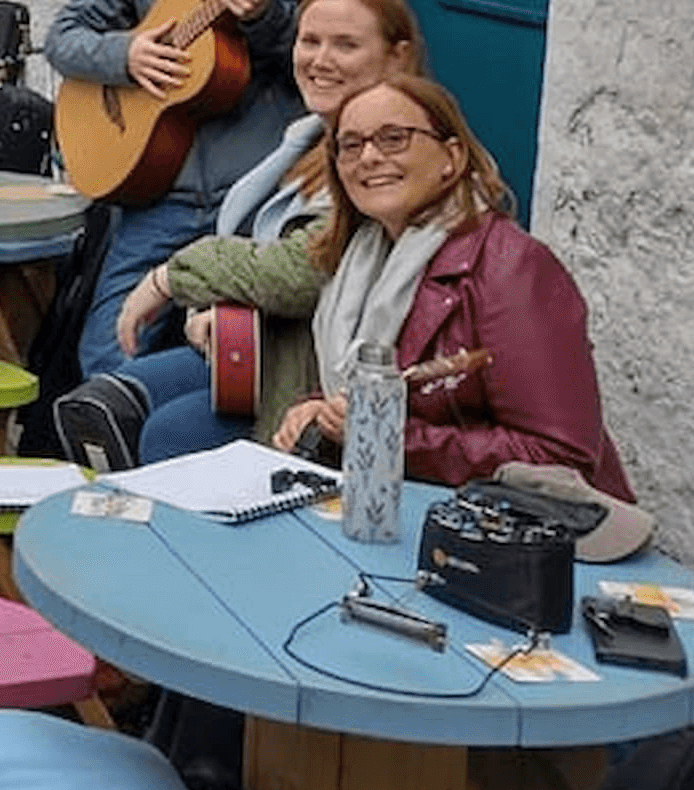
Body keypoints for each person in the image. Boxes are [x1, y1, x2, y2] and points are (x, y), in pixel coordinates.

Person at [52, 0, 422, 466]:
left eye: (346, 45)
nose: (320, 60)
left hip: (314, 375)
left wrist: (171, 278)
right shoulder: (307, 141)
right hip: (252, 349)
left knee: (166, 435)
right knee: (98, 405)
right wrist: (217, 311)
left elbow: (305, 268)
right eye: (310, 42)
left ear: (398, 57)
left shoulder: (390, 152)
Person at [44, 0, 341, 387]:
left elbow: (333, 65)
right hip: (160, 197)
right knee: (107, 356)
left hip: (259, 197)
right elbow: (63, 36)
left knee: (239, 368)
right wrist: (126, 55)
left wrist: (267, 17)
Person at [267, 77, 633, 497]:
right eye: (350, 145)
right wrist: (320, 409)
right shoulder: (360, 260)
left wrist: (391, 436)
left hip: (515, 538)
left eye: (394, 138)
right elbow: (363, 383)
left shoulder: (511, 268)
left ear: (451, 156)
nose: (368, 157)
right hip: (388, 509)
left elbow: (562, 455)